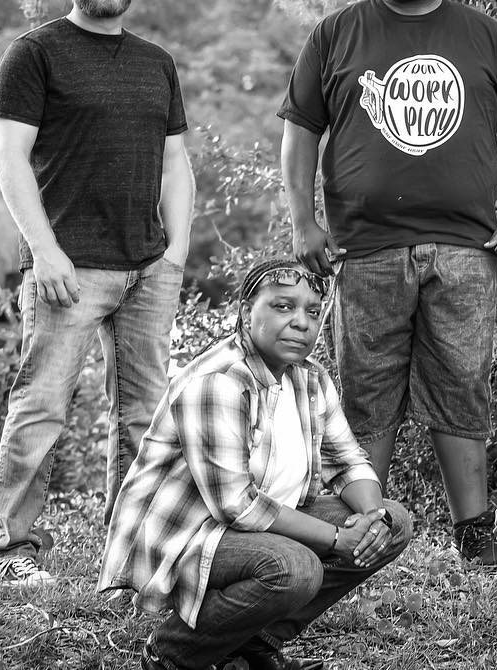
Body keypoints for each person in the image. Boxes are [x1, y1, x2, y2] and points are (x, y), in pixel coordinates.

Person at [279, 0, 497, 566]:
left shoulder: (483, 35)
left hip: (465, 246)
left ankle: (473, 533)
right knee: (365, 394)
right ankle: (361, 531)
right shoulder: (337, 34)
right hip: (365, 248)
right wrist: (302, 219)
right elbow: (300, 132)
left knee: (462, 384)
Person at [0, 0, 195, 585]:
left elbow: (175, 164)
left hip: (147, 269)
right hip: (67, 269)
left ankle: (132, 545)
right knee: (42, 406)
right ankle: (13, 553)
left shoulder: (155, 62)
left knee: (143, 415)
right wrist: (44, 253)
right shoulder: (36, 52)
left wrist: (176, 255)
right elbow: (9, 158)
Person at [99, 258, 413, 670]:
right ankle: (173, 653)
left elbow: (347, 460)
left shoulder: (311, 379)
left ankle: (249, 644)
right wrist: (338, 538)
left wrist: (371, 519)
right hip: (189, 534)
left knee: (394, 522)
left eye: (313, 312)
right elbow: (236, 504)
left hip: (259, 525)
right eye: (283, 307)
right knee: (295, 569)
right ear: (247, 313)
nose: (302, 322)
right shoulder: (219, 382)